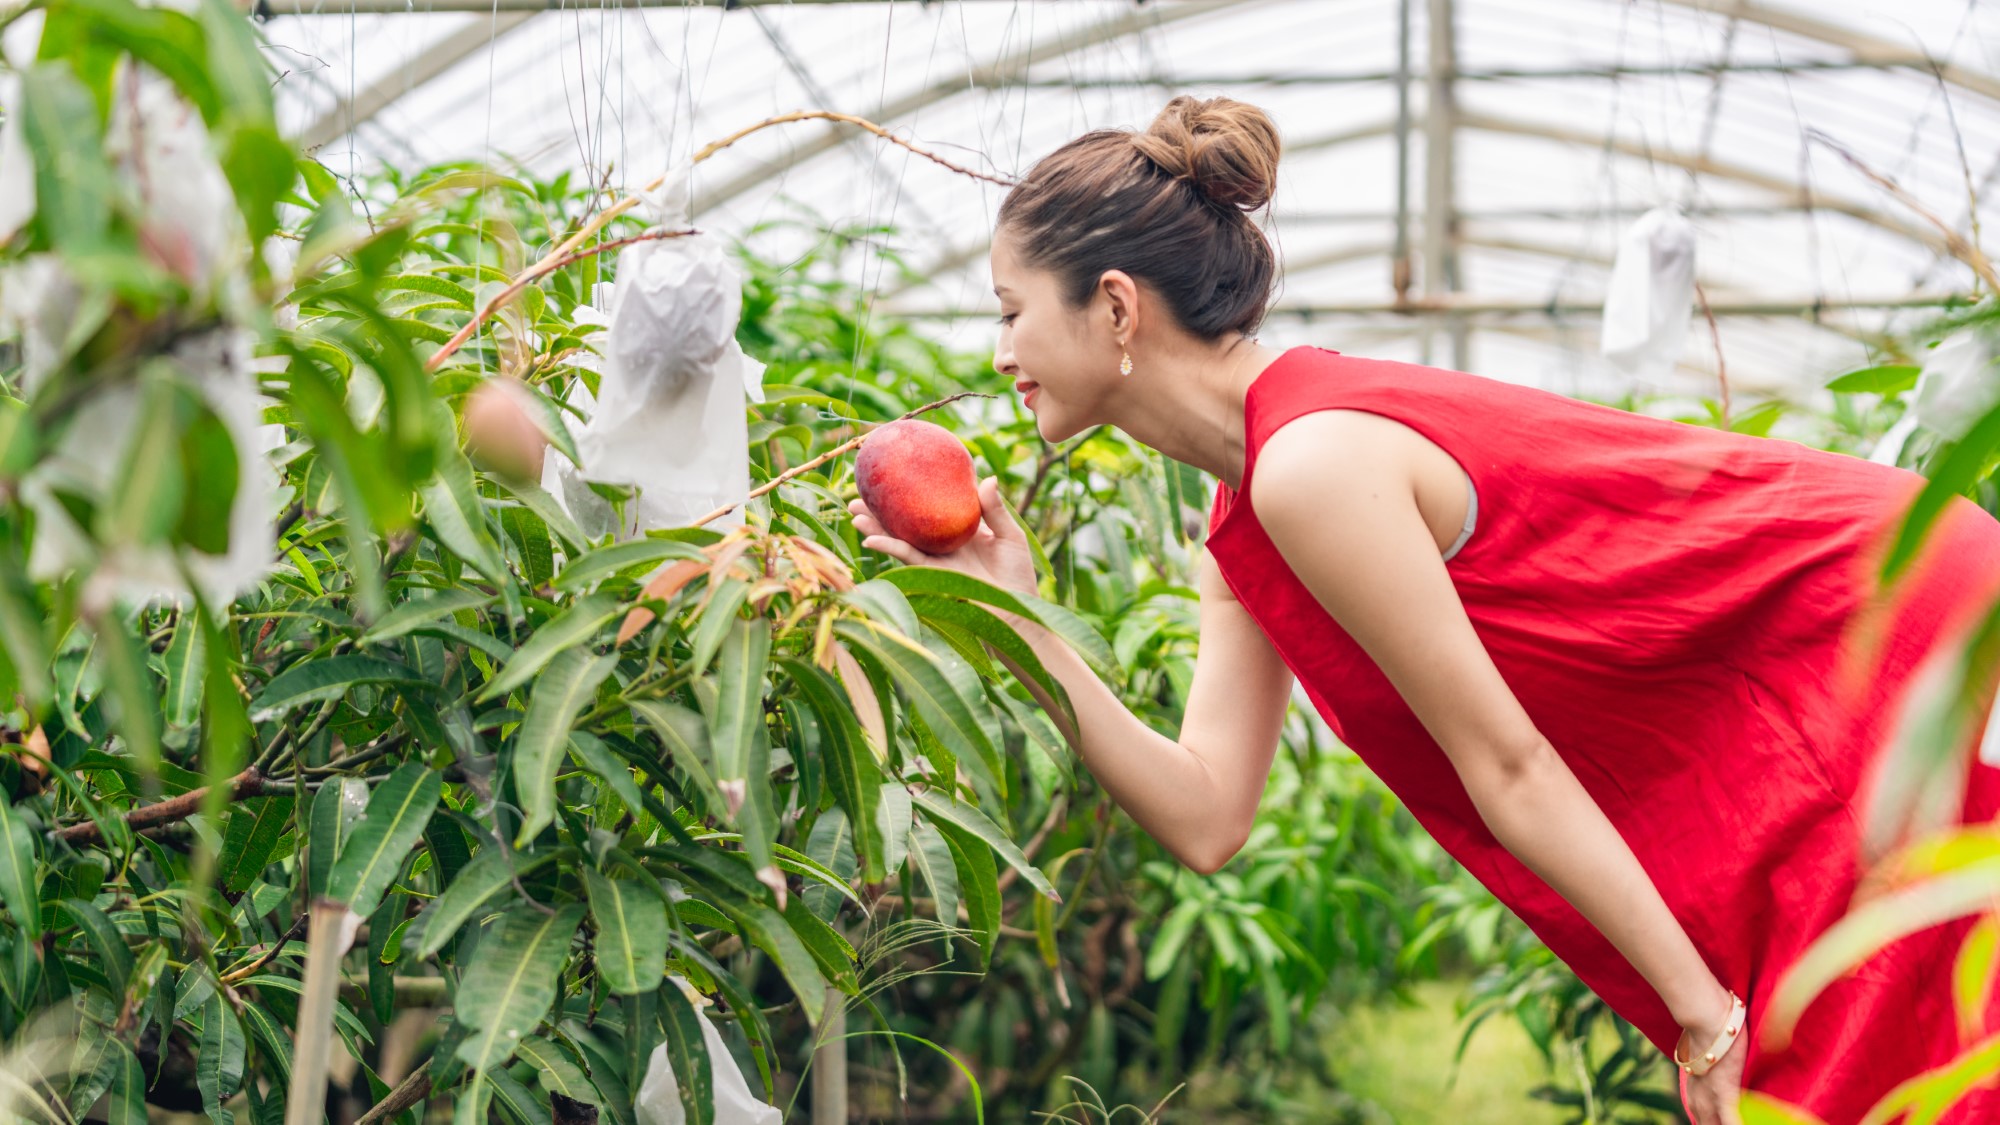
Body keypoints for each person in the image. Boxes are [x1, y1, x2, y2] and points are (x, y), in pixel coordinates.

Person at [846, 94, 2000, 1125]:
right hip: (1815, 659)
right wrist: (1017, 617)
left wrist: (1702, 1018)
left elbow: (1509, 769)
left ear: (1112, 307)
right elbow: (1205, 820)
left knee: (1869, 1046)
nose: (999, 354)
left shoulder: (1312, 466)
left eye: (1009, 312)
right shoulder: (1248, 512)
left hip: (1872, 624)